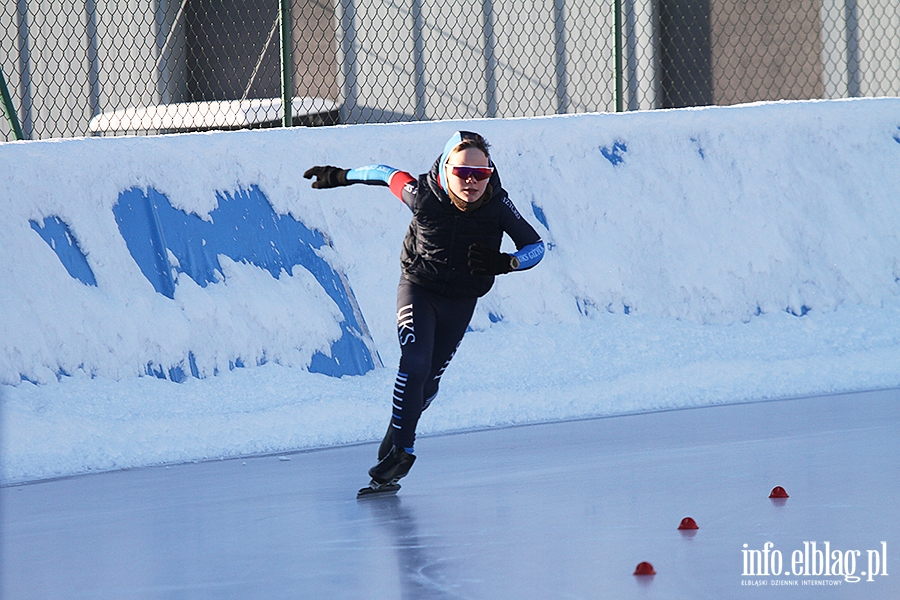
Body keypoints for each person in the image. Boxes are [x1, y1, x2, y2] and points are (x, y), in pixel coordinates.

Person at [304, 131, 545, 495]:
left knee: (427, 383)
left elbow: (536, 247)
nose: (472, 181)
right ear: (445, 169)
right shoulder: (422, 194)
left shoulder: (498, 204)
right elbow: (386, 173)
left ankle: (397, 429)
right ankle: (403, 450)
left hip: (461, 301)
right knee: (414, 365)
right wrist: (340, 176)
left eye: (482, 174)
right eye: (463, 172)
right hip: (419, 289)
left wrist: (507, 262)